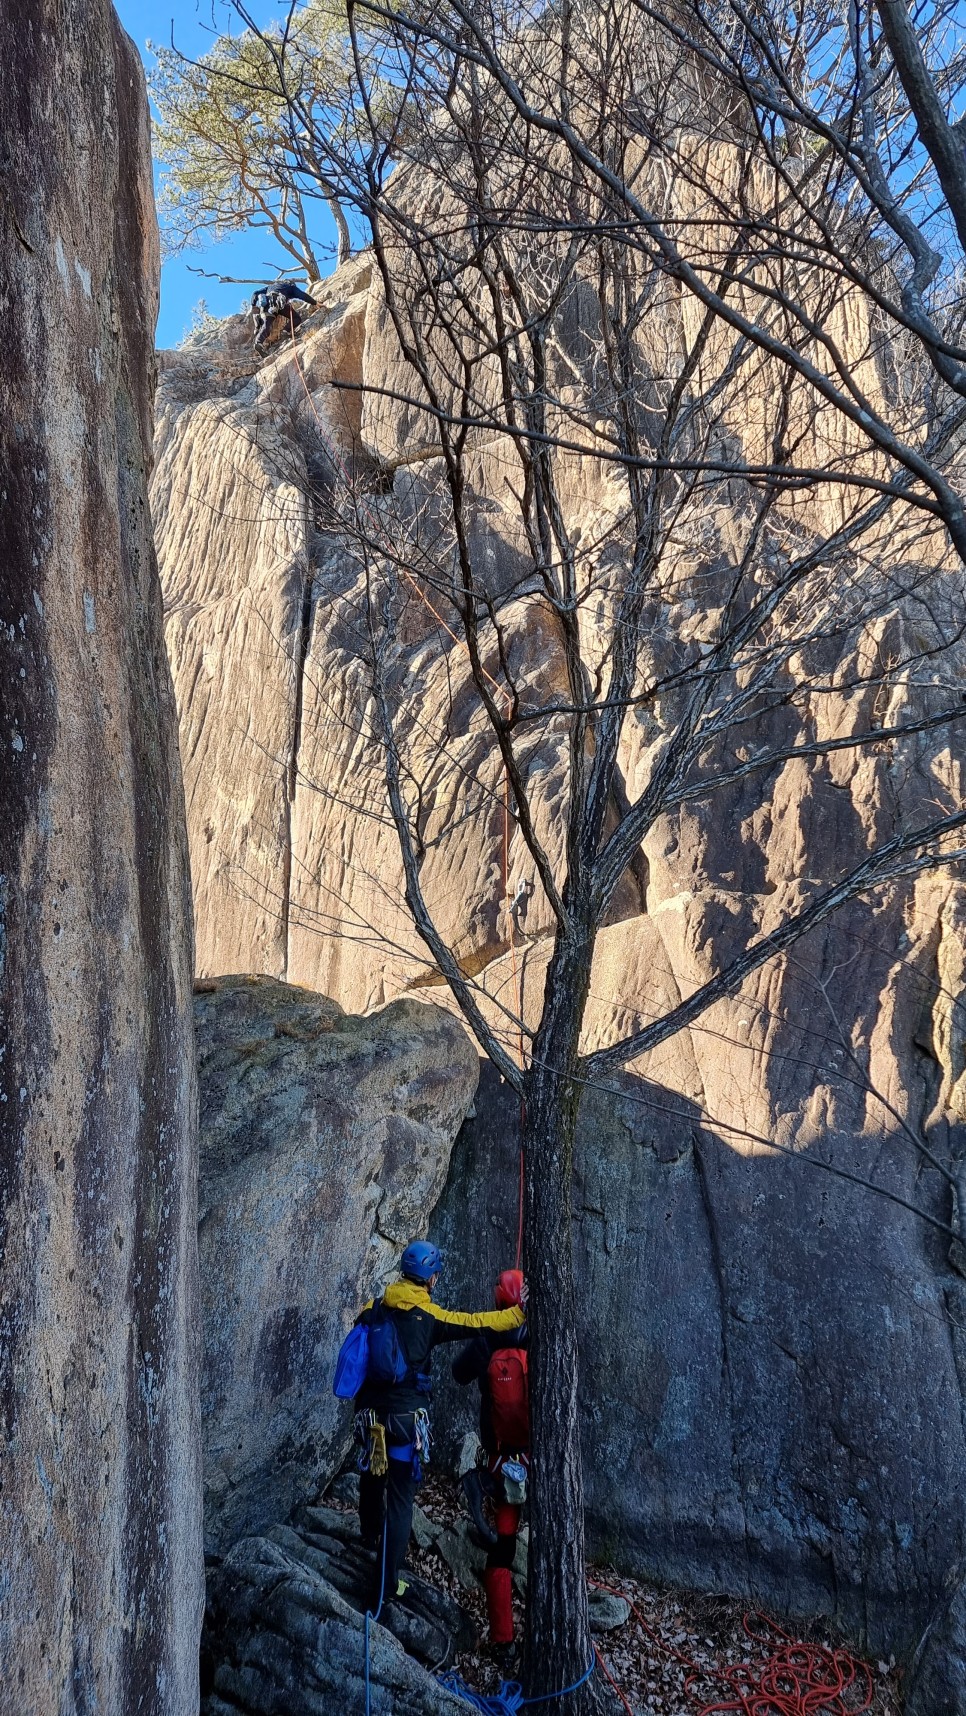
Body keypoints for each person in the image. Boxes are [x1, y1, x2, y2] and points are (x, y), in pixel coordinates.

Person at [353, 1241, 526, 1609]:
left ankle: (367, 1538)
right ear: (431, 1279)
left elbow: (357, 1353)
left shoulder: (374, 1308)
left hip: (370, 1418)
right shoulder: (431, 1316)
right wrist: (518, 1313)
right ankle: (386, 1587)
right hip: (405, 1420)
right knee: (400, 1501)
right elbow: (479, 1322)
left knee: (371, 1477)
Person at [452, 1268, 529, 1668]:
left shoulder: (485, 1342)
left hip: (504, 1466)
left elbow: (458, 1373)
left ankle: (503, 1639)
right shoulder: (539, 1338)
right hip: (540, 1465)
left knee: (502, 1551)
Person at [250, 278, 315, 350]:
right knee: (296, 318)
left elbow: (255, 293)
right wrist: (315, 303)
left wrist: (253, 306)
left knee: (266, 325)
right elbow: (303, 295)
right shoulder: (291, 287)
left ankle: (258, 342)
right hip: (280, 304)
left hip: (267, 305)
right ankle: (285, 331)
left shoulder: (271, 286)